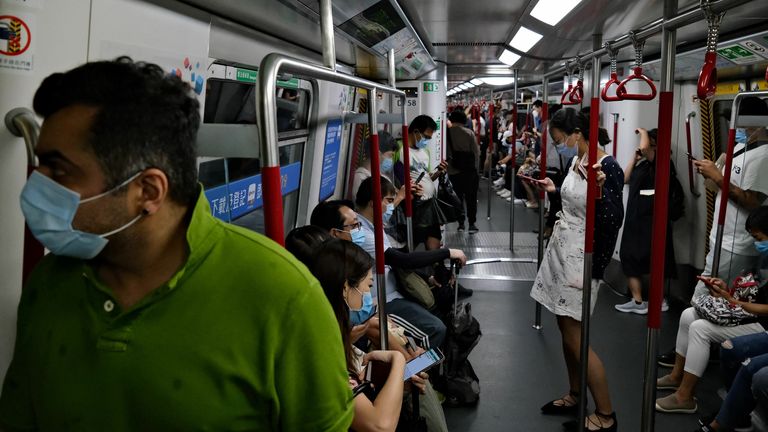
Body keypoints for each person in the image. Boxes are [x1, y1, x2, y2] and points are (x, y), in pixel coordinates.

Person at [0, 58, 353, 430]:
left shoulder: (284, 298)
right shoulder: (50, 281)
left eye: (59, 170)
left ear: (147, 190)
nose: (37, 183)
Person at [529, 108, 624, 432]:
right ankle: (575, 393)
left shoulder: (606, 167)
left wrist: (598, 188)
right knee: (564, 330)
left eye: (560, 140)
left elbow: (612, 219)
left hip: (582, 259)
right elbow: (574, 202)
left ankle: (606, 414)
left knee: (577, 338)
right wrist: (555, 192)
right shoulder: (576, 161)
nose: (560, 146)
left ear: (578, 134)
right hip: (562, 249)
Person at [659, 96, 768, 368]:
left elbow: (754, 201)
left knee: (703, 300)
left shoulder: (765, 155)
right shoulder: (742, 147)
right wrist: (713, 173)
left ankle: (697, 353)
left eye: (739, 122)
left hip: (738, 242)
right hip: (721, 237)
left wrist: (719, 177)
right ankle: (692, 354)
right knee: (703, 300)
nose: (736, 128)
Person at [655, 207, 768, 415]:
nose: (756, 243)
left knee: (700, 329)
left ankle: (684, 397)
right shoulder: (763, 260)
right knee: (688, 315)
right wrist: (725, 290)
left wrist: (733, 301)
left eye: (759, 237)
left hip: (762, 324)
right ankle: (676, 376)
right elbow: (752, 293)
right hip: (748, 314)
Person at [309, 239, 407, 432]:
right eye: (368, 286)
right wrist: (399, 360)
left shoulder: (327, 334)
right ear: (346, 288)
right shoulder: (322, 351)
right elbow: (380, 426)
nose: (369, 294)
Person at [615, 128, 683, 314]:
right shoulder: (643, 164)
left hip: (653, 221)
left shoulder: (663, 163)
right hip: (635, 219)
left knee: (656, 259)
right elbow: (625, 179)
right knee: (629, 257)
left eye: (650, 143)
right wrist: (634, 159)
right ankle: (637, 302)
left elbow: (645, 148)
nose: (644, 147)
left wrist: (643, 132)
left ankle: (658, 300)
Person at [396, 115, 447, 250]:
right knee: (412, 240)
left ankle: (436, 266)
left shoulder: (426, 152)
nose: (427, 140)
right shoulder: (399, 149)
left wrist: (438, 172)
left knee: (434, 238)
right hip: (414, 204)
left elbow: (427, 177)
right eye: (426, 137)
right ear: (416, 132)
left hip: (430, 204)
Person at [447, 109, 480, 233]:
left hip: (453, 171)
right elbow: (476, 153)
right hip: (469, 171)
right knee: (471, 198)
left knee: (457, 198)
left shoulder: (447, 133)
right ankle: (472, 224)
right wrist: (477, 171)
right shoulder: (469, 133)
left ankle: (461, 224)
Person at [352, 130, 399, 199]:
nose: (391, 160)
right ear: (377, 154)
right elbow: (373, 209)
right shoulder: (361, 179)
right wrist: (400, 197)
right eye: (390, 155)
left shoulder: (381, 175)